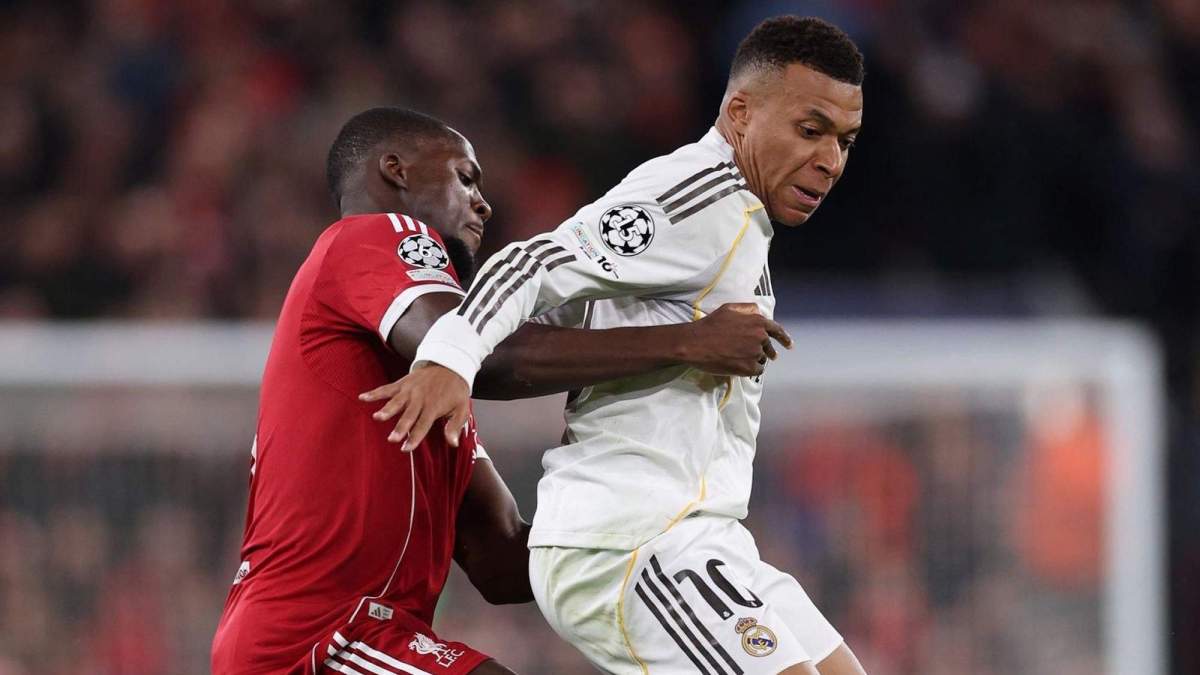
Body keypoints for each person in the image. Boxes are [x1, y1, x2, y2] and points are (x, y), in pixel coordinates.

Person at [210, 107, 789, 675]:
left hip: (356, 636)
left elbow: (501, 560)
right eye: (464, 177)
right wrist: (687, 343)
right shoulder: (372, 236)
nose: (483, 202)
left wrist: (643, 546)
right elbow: (490, 359)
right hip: (314, 638)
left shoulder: (428, 393)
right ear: (395, 171)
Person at [372, 16, 869, 675]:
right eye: (810, 131)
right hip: (629, 546)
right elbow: (532, 265)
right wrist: (447, 358)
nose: (831, 160)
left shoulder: (741, 216)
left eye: (844, 140)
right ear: (741, 112)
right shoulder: (695, 197)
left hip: (704, 538)